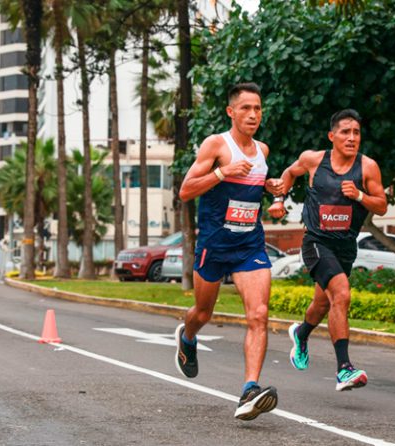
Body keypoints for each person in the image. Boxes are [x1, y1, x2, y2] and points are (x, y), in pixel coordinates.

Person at [175, 82, 279, 421]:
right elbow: (186, 190)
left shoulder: (262, 151)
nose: (253, 115)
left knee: (259, 314)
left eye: (258, 109)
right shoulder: (217, 145)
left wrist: (274, 194)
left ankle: (250, 389)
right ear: (231, 112)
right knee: (203, 313)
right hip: (215, 244)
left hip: (249, 244)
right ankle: (187, 336)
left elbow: (254, 190)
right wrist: (222, 172)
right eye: (246, 108)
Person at [267, 109, 388, 391]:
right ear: (332, 136)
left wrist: (358, 195)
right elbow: (289, 172)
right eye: (345, 132)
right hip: (316, 242)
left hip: (345, 246)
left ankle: (301, 332)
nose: (352, 138)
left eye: (356, 132)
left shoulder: (368, 167)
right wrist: (280, 198)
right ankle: (344, 369)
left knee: (323, 303)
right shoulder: (314, 160)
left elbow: (381, 205)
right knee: (342, 294)